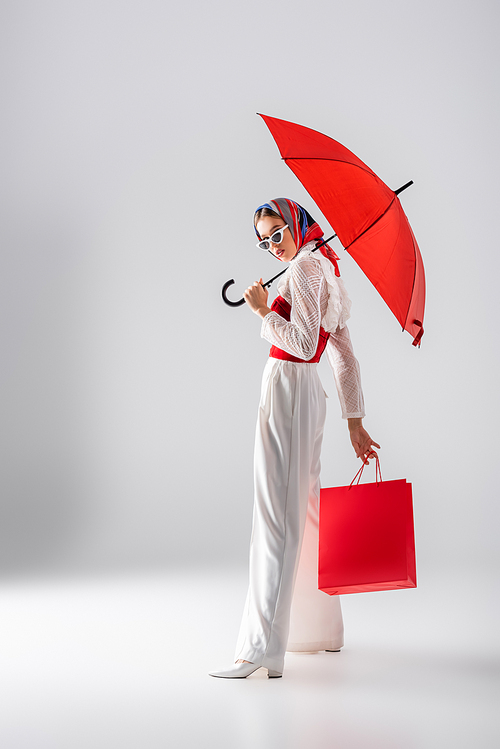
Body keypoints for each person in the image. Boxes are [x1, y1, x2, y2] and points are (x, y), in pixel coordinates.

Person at [209, 198, 379, 680]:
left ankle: (260, 649)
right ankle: (317, 629)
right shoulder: (323, 264)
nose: (272, 246)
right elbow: (343, 356)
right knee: (303, 511)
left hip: (289, 387)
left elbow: (303, 346)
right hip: (309, 396)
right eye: (263, 241)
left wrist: (262, 311)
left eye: (277, 233)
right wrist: (354, 419)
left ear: (297, 222)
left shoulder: (306, 267)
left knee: (274, 517)